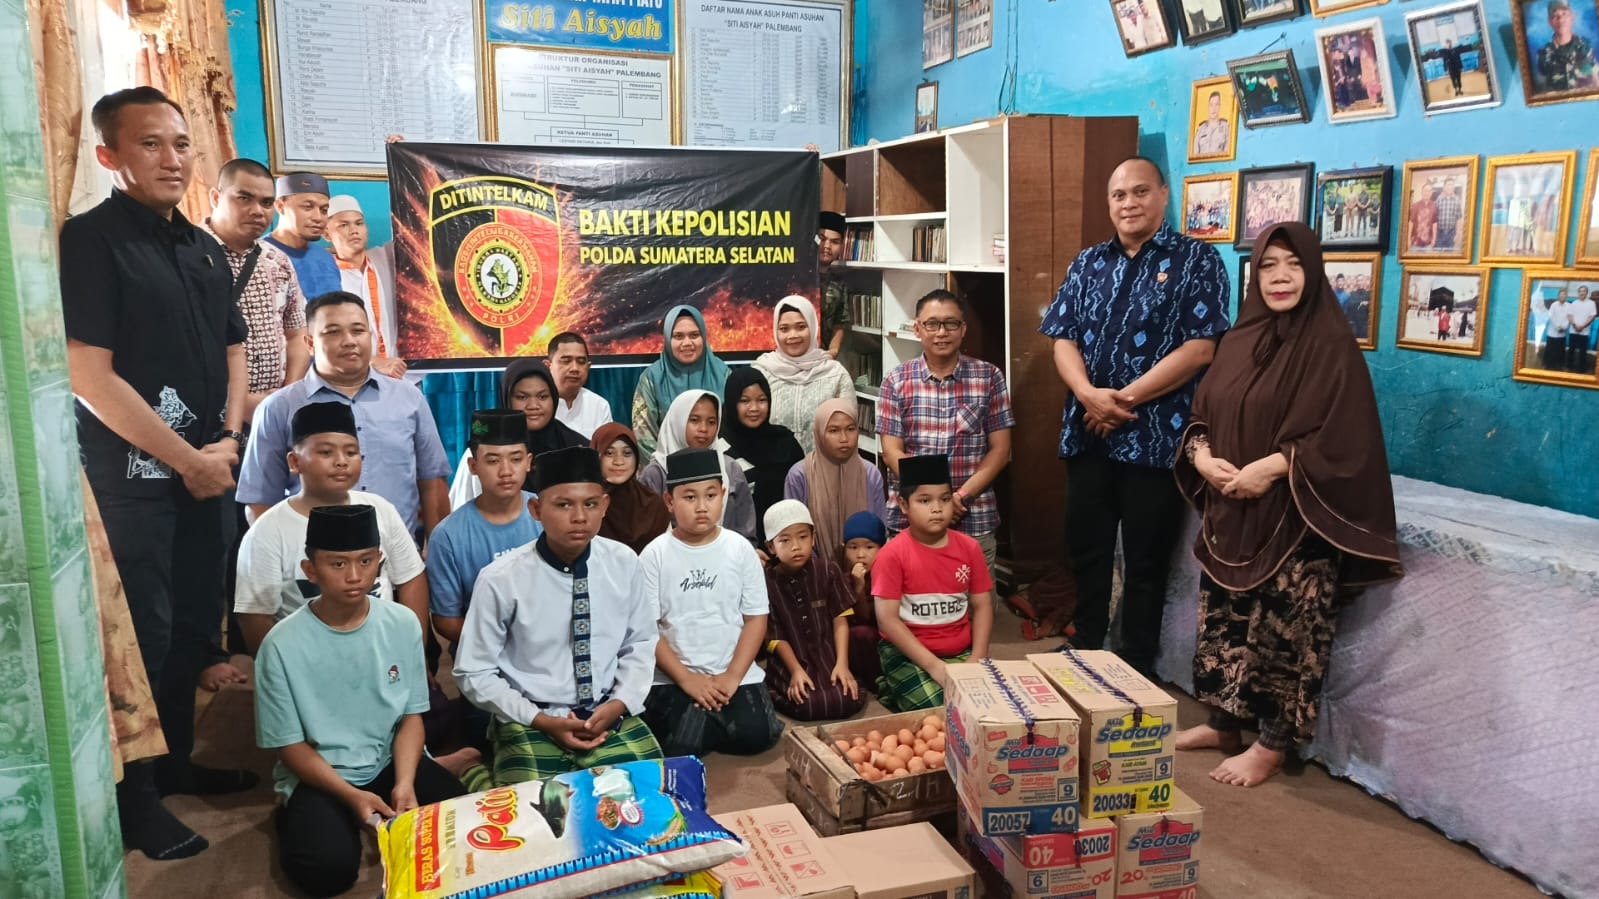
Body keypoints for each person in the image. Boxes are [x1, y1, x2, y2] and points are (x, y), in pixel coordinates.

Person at [62, 87, 251, 859]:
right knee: (140, 630)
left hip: (209, 470)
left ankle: (174, 759)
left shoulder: (203, 246)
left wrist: (228, 438)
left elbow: (235, 346)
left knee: (193, 624)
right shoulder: (90, 241)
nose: (172, 158)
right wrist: (187, 459)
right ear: (109, 155)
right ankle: (133, 798)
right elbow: (87, 373)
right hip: (134, 481)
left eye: (180, 142)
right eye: (150, 144)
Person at [1172, 222, 1401, 788]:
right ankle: (1224, 724)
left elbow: (1346, 441)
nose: (1279, 277)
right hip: (1232, 509)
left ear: (1313, 271)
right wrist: (1203, 457)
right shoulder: (1238, 340)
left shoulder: (1331, 347)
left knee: (1285, 629)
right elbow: (1202, 414)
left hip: (1297, 516)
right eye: (1268, 265)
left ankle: (1273, 744)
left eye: (1293, 265)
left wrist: (1273, 468)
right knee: (1225, 620)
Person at [1040, 156, 1230, 679]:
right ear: (1109, 203)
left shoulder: (1198, 260)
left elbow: (1200, 349)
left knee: (1146, 559)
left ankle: (1134, 665)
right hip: (1088, 433)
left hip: (1155, 439)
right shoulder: (1088, 263)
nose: (1129, 203)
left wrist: (1119, 401)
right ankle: (1087, 646)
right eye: (1119, 195)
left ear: (1164, 195)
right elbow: (1062, 339)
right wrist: (1088, 396)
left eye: (1141, 191)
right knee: (1088, 549)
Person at [254, 505, 469, 897]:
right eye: (338, 564)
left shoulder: (403, 623)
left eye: (366, 561)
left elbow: (410, 717)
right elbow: (290, 747)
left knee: (462, 826)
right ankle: (300, 814)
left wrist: (405, 782)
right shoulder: (280, 645)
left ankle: (390, 795)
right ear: (310, 570)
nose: (354, 576)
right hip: (321, 773)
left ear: (379, 562)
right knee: (327, 871)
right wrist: (351, 796)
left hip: (389, 761)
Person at [454, 446, 664, 784]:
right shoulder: (501, 578)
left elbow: (640, 642)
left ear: (604, 505)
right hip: (530, 717)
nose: (579, 517)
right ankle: (468, 769)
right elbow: (473, 671)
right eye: (563, 505)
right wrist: (540, 720)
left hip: (606, 711)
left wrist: (620, 702)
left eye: (590, 504)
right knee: (534, 811)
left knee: (651, 798)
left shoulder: (624, 562)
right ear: (536, 510)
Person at [239, 292, 451, 544]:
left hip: (398, 558)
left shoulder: (408, 398)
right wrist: (283, 558)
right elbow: (260, 501)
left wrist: (435, 555)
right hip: (311, 561)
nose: (349, 341)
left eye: (358, 330)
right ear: (310, 343)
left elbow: (432, 482)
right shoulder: (279, 407)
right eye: (333, 332)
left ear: (370, 336)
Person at [234, 402, 428, 652]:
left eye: (351, 452)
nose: (341, 462)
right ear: (294, 462)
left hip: (381, 654)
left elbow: (411, 578)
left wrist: (414, 652)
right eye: (326, 453)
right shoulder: (268, 530)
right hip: (307, 659)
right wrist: (282, 668)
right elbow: (255, 615)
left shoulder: (381, 509)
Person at [640, 448, 784, 757]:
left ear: (723, 494)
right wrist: (688, 680)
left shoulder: (740, 549)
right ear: (669, 502)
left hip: (733, 670)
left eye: (710, 495)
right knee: (680, 744)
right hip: (674, 676)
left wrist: (732, 677)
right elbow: (647, 629)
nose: (702, 507)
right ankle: (708, 718)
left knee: (757, 735)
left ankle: (708, 718)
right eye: (689, 497)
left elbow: (755, 619)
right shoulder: (654, 555)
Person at [877, 289, 1014, 573]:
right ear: (917, 329)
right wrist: (933, 501)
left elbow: (1000, 451)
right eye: (932, 324)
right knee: (910, 596)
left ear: (963, 329)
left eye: (950, 323)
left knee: (977, 597)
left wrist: (959, 498)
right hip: (910, 519)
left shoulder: (989, 377)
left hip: (972, 517)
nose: (942, 332)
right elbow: (891, 452)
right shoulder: (895, 381)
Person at [871, 454, 993, 712]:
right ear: (904, 505)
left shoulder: (970, 548)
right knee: (944, 710)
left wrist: (977, 658)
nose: (937, 508)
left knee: (987, 707)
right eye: (925, 500)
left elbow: (982, 606)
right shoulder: (891, 555)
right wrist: (934, 666)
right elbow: (887, 620)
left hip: (960, 650)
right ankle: (890, 685)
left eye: (945, 499)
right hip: (908, 654)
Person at [427, 410, 543, 648]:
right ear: (473, 465)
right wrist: (505, 648)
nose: (506, 471)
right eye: (492, 461)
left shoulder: (548, 516)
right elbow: (446, 620)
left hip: (547, 649)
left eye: (516, 459)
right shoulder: (448, 536)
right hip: (481, 655)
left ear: (529, 462)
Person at [202, 158, 310, 413]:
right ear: (216, 198)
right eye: (244, 198)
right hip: (208, 413)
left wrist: (285, 398)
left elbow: (297, 334)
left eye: (266, 203)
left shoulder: (277, 260)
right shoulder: (188, 256)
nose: (257, 211)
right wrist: (241, 405)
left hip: (272, 413)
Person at [761, 501, 865, 721]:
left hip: (827, 654)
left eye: (802, 537)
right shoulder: (766, 582)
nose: (796, 546)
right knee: (807, 703)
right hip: (790, 659)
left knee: (845, 697)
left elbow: (840, 620)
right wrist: (796, 671)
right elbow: (775, 636)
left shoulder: (828, 570)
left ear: (813, 538)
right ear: (771, 547)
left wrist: (842, 664)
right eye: (785, 540)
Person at [448, 359, 587, 507]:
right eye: (522, 397)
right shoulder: (482, 452)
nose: (533, 406)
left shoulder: (578, 448)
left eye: (542, 397)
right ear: (506, 398)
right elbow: (463, 511)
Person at [638, 389, 758, 543]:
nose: (703, 429)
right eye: (694, 420)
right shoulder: (656, 473)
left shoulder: (730, 469)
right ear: (678, 421)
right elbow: (646, 533)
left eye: (711, 422)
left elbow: (746, 532)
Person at [785, 399, 886, 560]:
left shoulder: (870, 474)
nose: (844, 438)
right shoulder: (800, 475)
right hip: (813, 570)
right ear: (819, 433)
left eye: (851, 429)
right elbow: (794, 533)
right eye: (833, 431)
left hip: (865, 567)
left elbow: (879, 531)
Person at [754, 295, 857, 452]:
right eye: (784, 329)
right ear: (775, 331)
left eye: (801, 327)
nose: (793, 335)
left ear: (813, 327)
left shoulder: (835, 374)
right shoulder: (762, 371)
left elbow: (849, 431)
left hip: (824, 464)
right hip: (771, 464)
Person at [325, 195, 408, 380]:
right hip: (354, 378)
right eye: (343, 225)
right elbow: (322, 339)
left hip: (403, 376)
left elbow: (417, 233)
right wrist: (373, 362)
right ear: (326, 234)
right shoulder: (325, 277)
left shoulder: (387, 257)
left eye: (359, 223)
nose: (354, 230)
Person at [631, 305, 731, 454]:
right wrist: (663, 465)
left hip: (717, 462)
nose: (687, 343)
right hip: (665, 465)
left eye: (694, 335)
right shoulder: (652, 378)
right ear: (667, 339)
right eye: (678, 336)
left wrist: (718, 463)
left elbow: (733, 428)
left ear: (703, 337)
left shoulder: (723, 374)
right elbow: (643, 435)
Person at [721, 367, 805, 543]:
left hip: (787, 543)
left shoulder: (785, 442)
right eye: (744, 401)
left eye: (761, 400)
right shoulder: (720, 446)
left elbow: (801, 494)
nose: (754, 408)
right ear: (731, 402)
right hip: (740, 543)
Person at [591, 422, 672, 554]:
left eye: (627, 453)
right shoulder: (587, 505)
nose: (619, 461)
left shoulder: (654, 505)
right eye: (609, 453)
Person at [264, 172, 342, 300]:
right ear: (280, 206)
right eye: (307, 207)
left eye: (324, 210)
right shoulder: (260, 256)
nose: (318, 217)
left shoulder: (325, 258)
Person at [840, 511, 887, 685]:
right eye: (853, 547)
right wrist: (857, 587)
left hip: (885, 642)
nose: (860, 554)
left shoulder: (888, 577)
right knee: (858, 633)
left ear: (882, 548)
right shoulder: (841, 580)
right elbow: (855, 620)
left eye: (869, 547)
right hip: (858, 648)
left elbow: (876, 620)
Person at [547, 332, 613, 438]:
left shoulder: (599, 405)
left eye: (581, 362)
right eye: (566, 361)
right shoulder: (537, 406)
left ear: (588, 367)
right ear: (548, 366)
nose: (575, 368)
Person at [1536, 0, 1599, 93]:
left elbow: (1596, 82)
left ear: (1572, 18)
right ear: (1550, 22)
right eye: (1555, 16)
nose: (1561, 20)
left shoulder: (1585, 49)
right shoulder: (1543, 54)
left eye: (1564, 14)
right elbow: (1541, 90)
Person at [819, 211, 850, 358]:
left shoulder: (839, 283)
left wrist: (833, 351)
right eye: (822, 239)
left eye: (835, 242)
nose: (827, 246)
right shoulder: (797, 277)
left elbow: (840, 322)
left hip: (823, 359)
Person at [1191, 90, 1230, 158]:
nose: (1213, 108)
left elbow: (1227, 152)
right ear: (1208, 107)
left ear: (1220, 106)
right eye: (1211, 105)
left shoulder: (1226, 128)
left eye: (1216, 105)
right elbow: (1194, 154)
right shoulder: (1200, 129)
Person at [1567, 285, 1596, 373]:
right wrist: (1575, 325)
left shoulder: (1591, 303)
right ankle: (1569, 368)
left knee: (1583, 352)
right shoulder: (1574, 303)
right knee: (1571, 350)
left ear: (1586, 293)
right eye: (1580, 291)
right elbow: (1570, 316)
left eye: (1584, 291)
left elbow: (1592, 316)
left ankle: (1581, 370)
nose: (1582, 293)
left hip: (1584, 332)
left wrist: (1582, 326)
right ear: (1578, 293)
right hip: (1573, 331)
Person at [1543, 292, 1570, 370]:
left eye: (1564, 295)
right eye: (1561, 295)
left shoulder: (1569, 306)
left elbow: (1569, 317)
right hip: (1552, 332)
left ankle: (1560, 366)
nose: (1562, 296)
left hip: (1562, 332)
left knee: (1560, 350)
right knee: (1550, 349)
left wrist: (1564, 327)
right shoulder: (1554, 305)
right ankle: (1548, 365)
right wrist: (1558, 326)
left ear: (1566, 297)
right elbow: (1551, 317)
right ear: (1558, 296)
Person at [1434, 180, 1464, 252]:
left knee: (1449, 255)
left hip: (1451, 233)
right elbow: (1434, 217)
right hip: (1439, 233)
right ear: (1444, 187)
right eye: (1448, 185)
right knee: (1438, 255)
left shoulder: (1457, 200)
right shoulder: (1438, 199)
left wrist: (1457, 234)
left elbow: (1459, 218)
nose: (1450, 187)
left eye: (1452, 185)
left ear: (1454, 187)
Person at [1343, 273, 1372, 341]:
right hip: (1355, 324)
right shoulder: (1353, 294)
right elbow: (1351, 305)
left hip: (1365, 325)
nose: (1360, 282)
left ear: (1364, 281)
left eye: (1361, 280)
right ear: (1356, 282)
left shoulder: (1369, 294)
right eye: (1358, 280)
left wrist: (1368, 303)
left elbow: (1372, 307)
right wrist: (1361, 302)